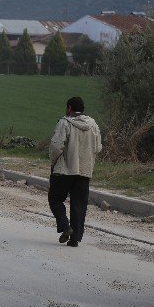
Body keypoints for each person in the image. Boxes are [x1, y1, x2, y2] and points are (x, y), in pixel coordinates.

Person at [48, 97, 102, 247]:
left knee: (55, 198)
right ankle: (75, 239)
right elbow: (98, 148)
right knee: (79, 204)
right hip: (84, 171)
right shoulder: (93, 125)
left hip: (64, 170)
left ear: (69, 108)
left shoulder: (64, 123)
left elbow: (56, 146)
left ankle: (66, 227)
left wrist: (53, 161)